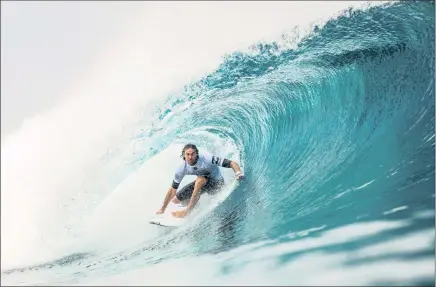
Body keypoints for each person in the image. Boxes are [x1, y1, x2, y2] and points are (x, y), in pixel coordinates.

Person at [156, 143, 244, 218]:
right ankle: (195, 206)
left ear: (196, 154)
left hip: (217, 184)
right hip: (203, 183)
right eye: (187, 154)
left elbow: (231, 163)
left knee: (199, 180)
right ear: (184, 155)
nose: (190, 157)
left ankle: (187, 211)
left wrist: (238, 173)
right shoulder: (182, 168)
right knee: (176, 200)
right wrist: (163, 208)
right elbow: (172, 190)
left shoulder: (207, 158)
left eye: (192, 154)